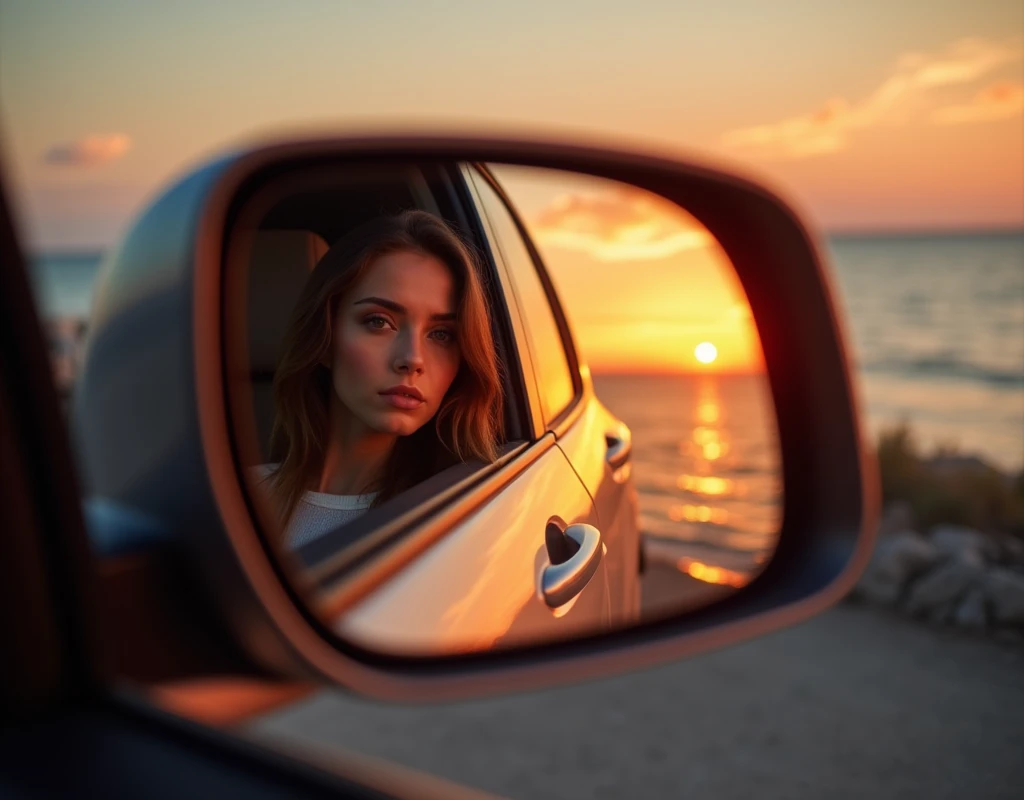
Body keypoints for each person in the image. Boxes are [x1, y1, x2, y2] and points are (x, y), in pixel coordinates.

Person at [256, 209, 503, 549]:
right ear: (325, 339)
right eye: (378, 322)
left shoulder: (463, 519)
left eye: (442, 334)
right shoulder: (235, 495)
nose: (412, 359)